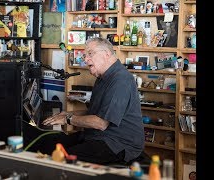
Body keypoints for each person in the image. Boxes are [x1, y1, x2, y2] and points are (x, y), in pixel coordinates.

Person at [28, 37, 144, 165]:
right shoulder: (102, 77)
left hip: (117, 144)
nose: (85, 59)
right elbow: (95, 112)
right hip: (98, 136)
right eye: (85, 55)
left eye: (90, 54)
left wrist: (68, 119)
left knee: (63, 159)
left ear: (106, 54)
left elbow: (101, 123)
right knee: (49, 144)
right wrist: (67, 114)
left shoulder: (120, 80)